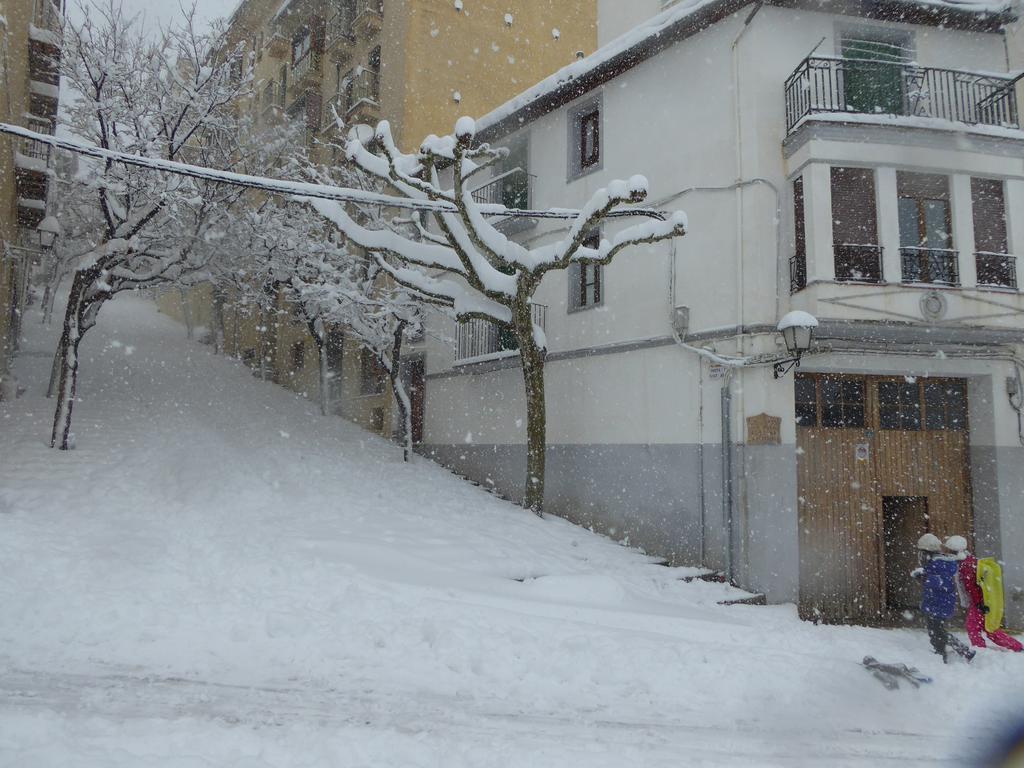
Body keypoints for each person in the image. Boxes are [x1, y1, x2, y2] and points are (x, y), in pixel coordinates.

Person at [945, 535, 1023, 653]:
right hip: (984, 602)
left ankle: (980, 650)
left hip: (980, 604)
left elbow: (973, 588)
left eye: (949, 551)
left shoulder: (966, 566)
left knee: (978, 628)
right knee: (989, 629)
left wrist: (979, 604)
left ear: (955, 551)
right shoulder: (969, 561)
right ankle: (1017, 646)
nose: (947, 554)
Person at [912, 533, 975, 663]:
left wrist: (925, 578)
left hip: (939, 603)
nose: (921, 556)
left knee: (936, 632)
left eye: (923, 553)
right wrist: (922, 574)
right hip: (936, 602)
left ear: (928, 552)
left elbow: (942, 583)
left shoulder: (940, 564)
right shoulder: (936, 563)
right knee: (936, 631)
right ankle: (949, 652)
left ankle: (951, 652)